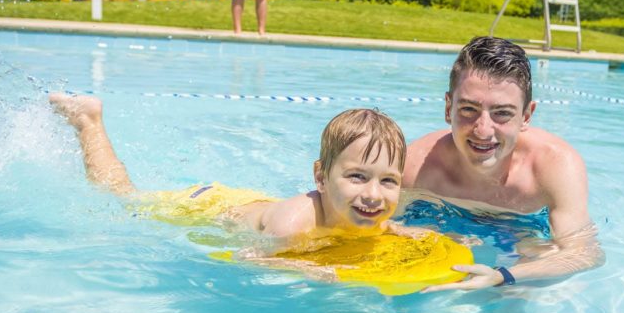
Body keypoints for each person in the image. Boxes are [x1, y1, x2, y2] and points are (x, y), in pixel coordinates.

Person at [402, 36, 604, 291]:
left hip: (526, 228)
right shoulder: (414, 166)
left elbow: (584, 253)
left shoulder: (554, 166)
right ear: (447, 108)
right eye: (468, 109)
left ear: (526, 116)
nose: (483, 130)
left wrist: (504, 276)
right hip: (443, 221)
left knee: (537, 259)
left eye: (502, 113)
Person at [50, 95, 404, 240]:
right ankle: (87, 121)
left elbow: (400, 233)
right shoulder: (294, 224)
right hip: (205, 207)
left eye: (388, 181)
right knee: (122, 198)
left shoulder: (372, 215)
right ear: (320, 178)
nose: (374, 194)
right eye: (357, 176)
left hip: (249, 201)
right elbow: (257, 259)